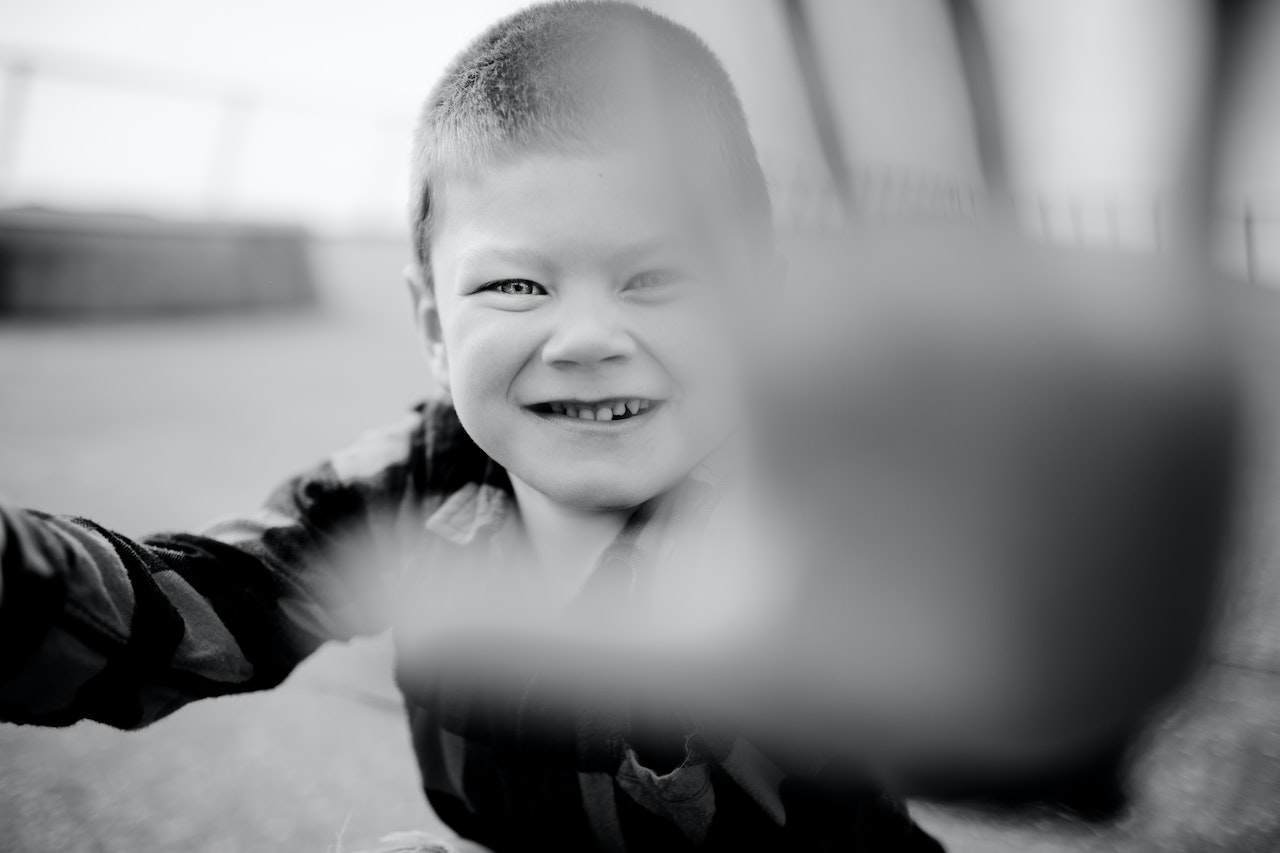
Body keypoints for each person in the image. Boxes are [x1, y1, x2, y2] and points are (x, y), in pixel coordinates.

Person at [0, 3, 944, 851]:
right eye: (516, 286)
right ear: (434, 328)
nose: (583, 339)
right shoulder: (413, 483)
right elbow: (191, 607)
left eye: (655, 277)